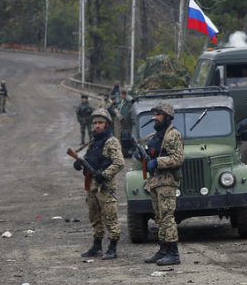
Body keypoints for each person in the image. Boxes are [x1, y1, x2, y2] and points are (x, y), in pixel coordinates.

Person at [136, 101, 184, 266]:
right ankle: (163, 250)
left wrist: (157, 162)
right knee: (159, 218)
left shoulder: (172, 134)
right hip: (156, 181)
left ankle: (173, 253)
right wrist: (144, 155)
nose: (154, 118)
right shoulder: (158, 135)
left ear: (167, 116)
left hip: (167, 181)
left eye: (158, 115)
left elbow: (178, 158)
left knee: (167, 217)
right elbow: (154, 152)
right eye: (154, 114)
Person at [74, 108, 125, 260]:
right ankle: (97, 246)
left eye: (100, 123)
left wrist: (104, 175)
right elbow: (88, 160)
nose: (97, 126)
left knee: (110, 216)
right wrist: (80, 164)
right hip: (91, 185)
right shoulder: (93, 142)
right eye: (95, 123)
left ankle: (113, 247)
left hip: (104, 186)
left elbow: (119, 163)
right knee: (94, 216)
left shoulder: (111, 141)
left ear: (107, 124)